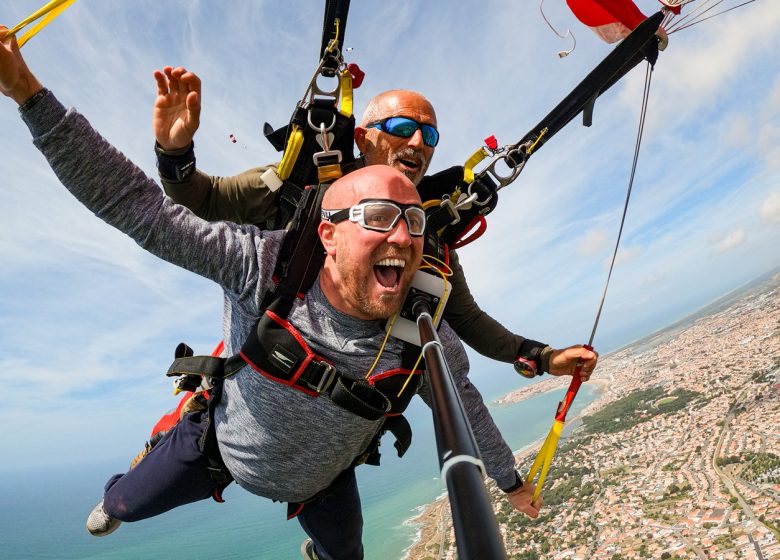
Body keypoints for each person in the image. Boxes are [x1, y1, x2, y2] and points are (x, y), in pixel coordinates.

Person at [0, 30, 600, 559]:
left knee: (347, 553)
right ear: (329, 231)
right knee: (120, 508)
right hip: (223, 443)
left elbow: (459, 394)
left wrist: (511, 471)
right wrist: (31, 94)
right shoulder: (267, 251)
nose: (401, 232)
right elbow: (148, 208)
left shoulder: (426, 309)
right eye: (378, 215)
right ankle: (148, 459)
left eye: (413, 223)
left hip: (323, 477)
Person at [152, 66, 600, 382]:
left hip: (341, 400)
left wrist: (540, 356)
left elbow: (466, 318)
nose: (418, 142)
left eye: (430, 135)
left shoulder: (420, 231)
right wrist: (174, 152)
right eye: (403, 127)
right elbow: (204, 199)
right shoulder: (298, 187)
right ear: (364, 138)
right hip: (264, 366)